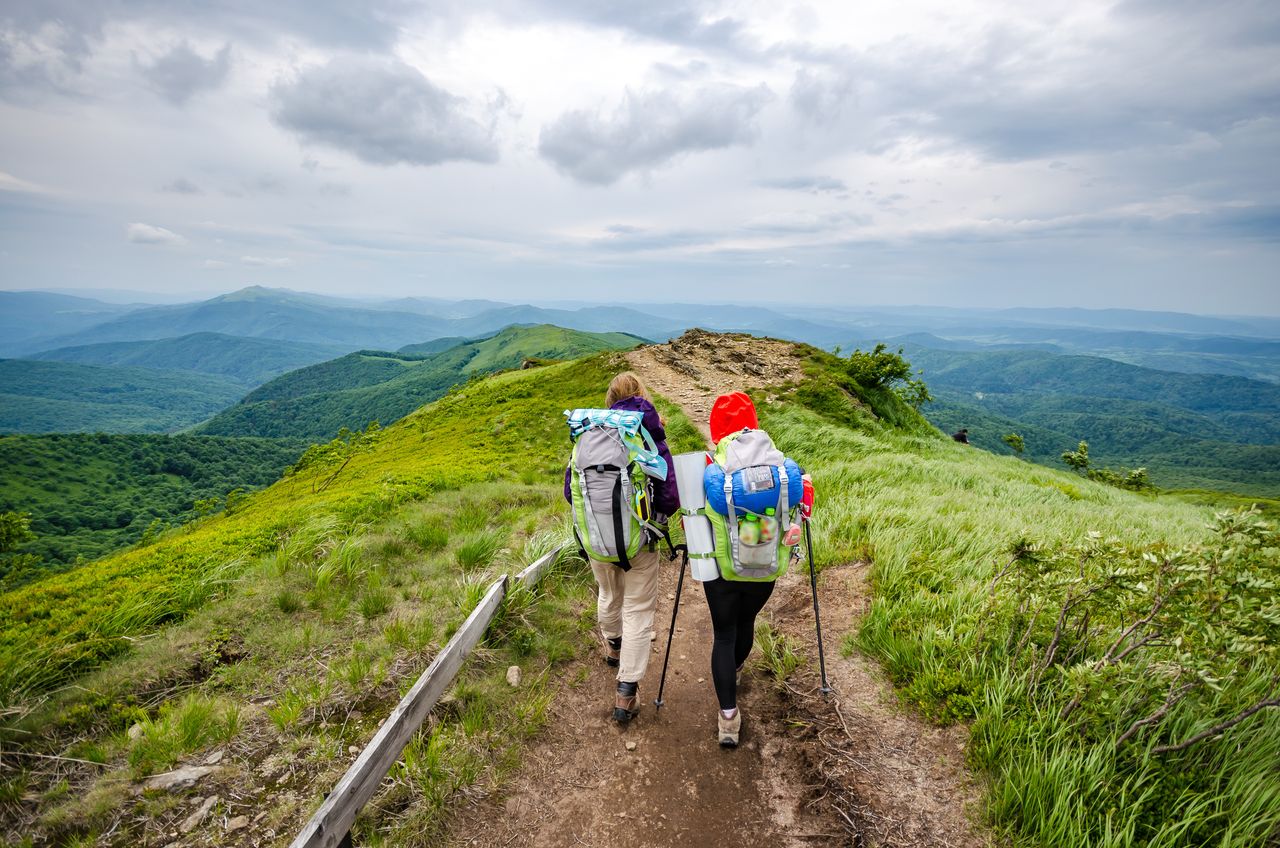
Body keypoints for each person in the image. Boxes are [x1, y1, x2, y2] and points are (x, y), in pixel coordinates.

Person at [699, 391, 812, 747]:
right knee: (746, 622)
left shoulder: (712, 468)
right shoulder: (782, 468)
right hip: (765, 567)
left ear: (717, 429)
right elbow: (799, 503)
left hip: (723, 569)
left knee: (724, 633)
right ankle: (733, 671)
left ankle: (728, 718)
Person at [564, 372, 678, 722]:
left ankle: (613, 646)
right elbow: (671, 495)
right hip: (638, 541)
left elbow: (570, 492)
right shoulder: (645, 434)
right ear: (641, 396)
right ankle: (626, 693)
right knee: (639, 610)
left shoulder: (585, 436)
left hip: (597, 541)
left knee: (608, 594)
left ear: (608, 402)